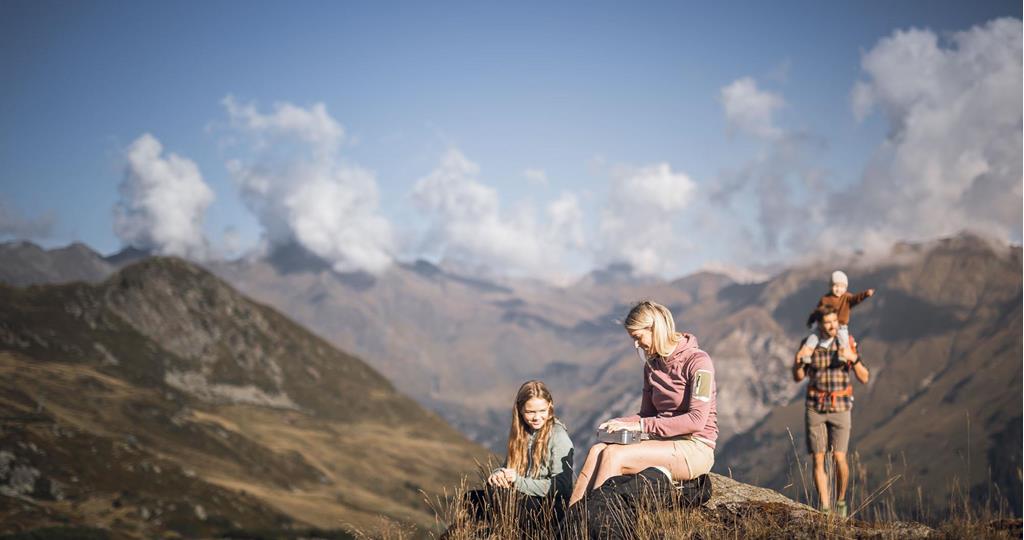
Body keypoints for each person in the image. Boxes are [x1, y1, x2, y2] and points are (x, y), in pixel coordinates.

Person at [568, 300, 717, 507]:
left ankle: (593, 523)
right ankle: (570, 522)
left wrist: (639, 426)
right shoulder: (651, 366)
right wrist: (620, 422)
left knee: (614, 455)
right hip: (664, 442)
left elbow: (696, 420)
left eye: (638, 337)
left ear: (654, 328)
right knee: (597, 451)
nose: (636, 345)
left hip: (695, 445)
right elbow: (646, 414)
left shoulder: (699, 362)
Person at [463, 380, 574, 533]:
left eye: (542, 411)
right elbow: (508, 468)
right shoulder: (521, 434)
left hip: (548, 507)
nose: (537, 417)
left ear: (550, 406)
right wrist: (498, 474)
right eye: (530, 412)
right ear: (520, 410)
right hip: (525, 497)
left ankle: (518, 533)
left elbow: (562, 487)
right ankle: (504, 530)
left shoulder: (558, 436)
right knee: (472, 497)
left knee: (499, 495)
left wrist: (518, 481)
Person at [793, 308, 870, 518]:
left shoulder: (847, 343)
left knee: (839, 457)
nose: (832, 326)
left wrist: (852, 358)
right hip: (815, 407)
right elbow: (798, 376)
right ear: (819, 324)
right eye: (828, 322)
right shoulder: (809, 344)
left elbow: (864, 377)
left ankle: (841, 501)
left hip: (841, 407)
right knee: (818, 460)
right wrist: (800, 361)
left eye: (835, 321)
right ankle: (825, 509)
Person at [801, 270, 875, 358]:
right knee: (814, 336)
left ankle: (843, 357)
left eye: (842, 287)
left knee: (844, 341)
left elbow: (856, 299)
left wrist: (865, 294)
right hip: (826, 325)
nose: (838, 289)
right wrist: (811, 321)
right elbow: (817, 312)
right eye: (836, 286)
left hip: (841, 326)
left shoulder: (847, 298)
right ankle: (806, 353)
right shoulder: (825, 299)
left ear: (846, 288)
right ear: (830, 286)